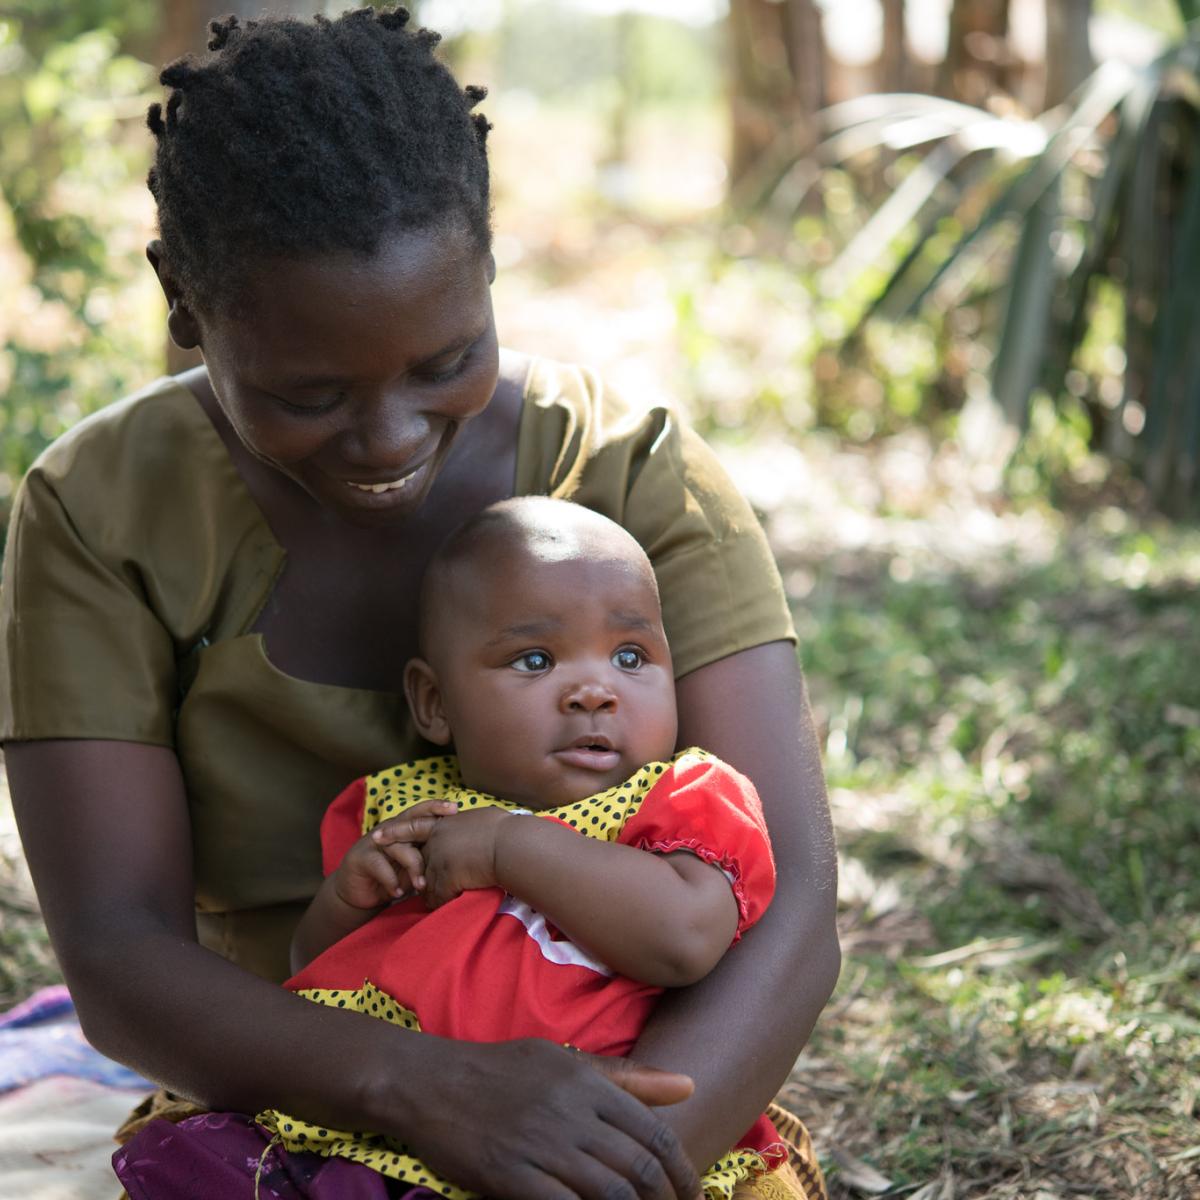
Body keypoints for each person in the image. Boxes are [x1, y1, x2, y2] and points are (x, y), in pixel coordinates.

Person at [0, 8, 840, 1200]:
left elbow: (793, 904)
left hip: (625, 1092)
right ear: (183, 304)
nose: (390, 440)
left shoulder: (631, 476)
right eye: (310, 390)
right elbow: (122, 958)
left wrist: (621, 1166)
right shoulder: (100, 513)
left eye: (445, 363)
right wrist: (425, 1093)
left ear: (489, 266)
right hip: (295, 1086)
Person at [116, 496, 791, 1199]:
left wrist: (509, 848)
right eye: (535, 659)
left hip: (568, 1136)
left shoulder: (678, 799)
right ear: (433, 703)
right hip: (384, 1125)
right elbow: (317, 977)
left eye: (631, 655)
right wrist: (345, 902)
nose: (594, 690)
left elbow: (685, 939)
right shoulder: (410, 808)